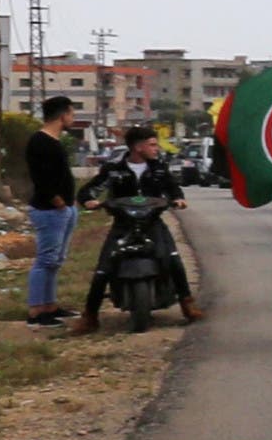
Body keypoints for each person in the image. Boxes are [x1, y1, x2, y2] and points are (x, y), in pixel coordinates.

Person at [70, 127, 203, 332]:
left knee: (174, 260)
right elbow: (89, 190)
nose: (156, 149)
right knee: (103, 269)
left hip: (152, 223)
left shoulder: (159, 168)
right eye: (152, 144)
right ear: (137, 147)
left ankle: (187, 304)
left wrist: (178, 199)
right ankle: (89, 316)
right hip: (123, 225)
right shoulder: (113, 169)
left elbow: (172, 188)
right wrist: (89, 201)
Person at [24, 95, 79, 328]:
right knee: (45, 261)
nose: (72, 119)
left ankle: (50, 305)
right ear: (62, 115)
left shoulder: (55, 141)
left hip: (63, 209)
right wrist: (57, 201)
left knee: (55, 261)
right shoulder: (40, 142)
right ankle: (36, 312)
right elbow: (41, 177)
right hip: (49, 210)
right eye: (71, 114)